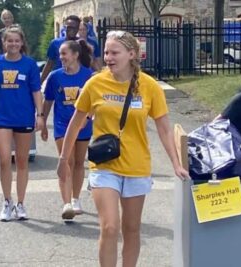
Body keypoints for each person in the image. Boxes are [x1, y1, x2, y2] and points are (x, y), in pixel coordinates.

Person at [56, 30, 189, 266]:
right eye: (106, 52)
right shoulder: (95, 83)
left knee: (131, 229)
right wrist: (63, 159)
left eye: (114, 52)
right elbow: (76, 123)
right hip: (104, 166)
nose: (108, 57)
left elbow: (165, 129)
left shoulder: (149, 87)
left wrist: (176, 163)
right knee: (109, 227)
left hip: (137, 167)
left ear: (131, 54)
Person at [0, 25, 44, 222]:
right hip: (1, 117)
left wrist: (40, 115)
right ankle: (7, 201)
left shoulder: (30, 64)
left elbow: (36, 91)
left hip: (24, 117)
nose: (14, 44)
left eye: (17, 41)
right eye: (10, 41)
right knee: (4, 160)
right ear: (4, 42)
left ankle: (21, 203)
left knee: (23, 161)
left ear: (22, 43)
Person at [41, 40, 93, 220]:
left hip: (83, 125)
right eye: (60, 54)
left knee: (79, 162)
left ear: (75, 55)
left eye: (64, 54)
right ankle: (66, 203)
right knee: (67, 160)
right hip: (62, 125)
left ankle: (76, 198)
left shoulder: (89, 75)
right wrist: (42, 120)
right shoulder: (55, 77)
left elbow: (95, 101)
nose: (61, 58)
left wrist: (88, 116)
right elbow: (48, 100)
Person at [41, 15, 101, 83]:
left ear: (78, 28)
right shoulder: (55, 43)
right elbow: (49, 64)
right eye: (69, 27)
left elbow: (93, 64)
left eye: (74, 28)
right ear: (65, 27)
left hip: (79, 81)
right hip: (60, 80)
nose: (71, 30)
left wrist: (99, 77)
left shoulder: (82, 44)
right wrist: (40, 83)